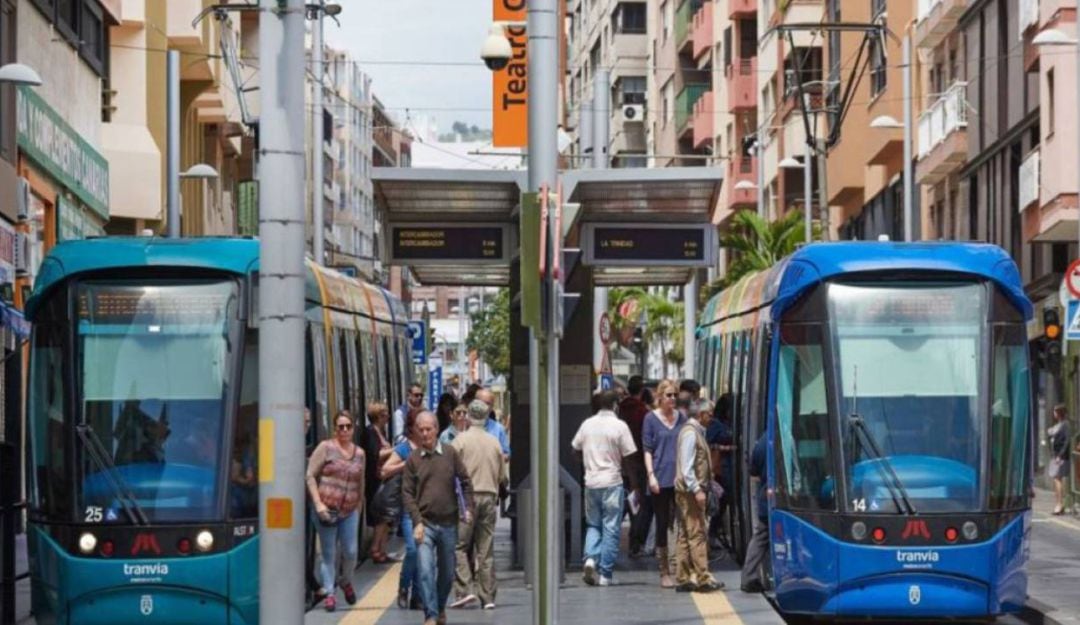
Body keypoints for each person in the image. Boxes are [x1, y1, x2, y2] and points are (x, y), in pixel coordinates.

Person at [403, 411, 475, 625]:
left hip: (448, 523)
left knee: (446, 573)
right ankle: (431, 615)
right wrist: (416, 520)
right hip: (425, 524)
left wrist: (468, 507)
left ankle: (440, 606)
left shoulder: (450, 453)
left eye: (429, 429)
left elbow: (465, 482)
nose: (425, 434)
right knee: (425, 570)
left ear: (436, 429)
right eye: (421, 430)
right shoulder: (412, 460)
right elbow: (407, 493)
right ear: (416, 431)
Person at [573, 390, 637, 587]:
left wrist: (587, 463)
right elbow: (629, 456)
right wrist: (634, 483)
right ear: (616, 405)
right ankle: (606, 574)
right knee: (611, 528)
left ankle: (591, 558)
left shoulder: (587, 424)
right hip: (612, 482)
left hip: (591, 483)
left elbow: (575, 449)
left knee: (593, 524)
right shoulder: (620, 426)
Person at [306, 411, 366, 611]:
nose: (345, 430)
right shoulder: (325, 448)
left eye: (348, 426)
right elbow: (310, 476)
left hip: (349, 511)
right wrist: (318, 504)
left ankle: (345, 581)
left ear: (353, 428)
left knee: (350, 551)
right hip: (326, 511)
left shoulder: (359, 453)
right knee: (328, 553)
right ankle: (330, 593)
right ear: (335, 429)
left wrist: (359, 505)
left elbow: (361, 481)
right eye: (341, 426)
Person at [449, 400, 506, 609]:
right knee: (486, 548)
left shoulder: (459, 441)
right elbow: (502, 476)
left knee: (460, 545)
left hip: (467, 500)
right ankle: (488, 596)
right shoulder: (494, 442)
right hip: (490, 497)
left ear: (469, 417)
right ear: (487, 416)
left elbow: (450, 472)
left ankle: (464, 589)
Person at [642, 379, 687, 588]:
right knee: (661, 523)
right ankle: (664, 571)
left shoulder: (682, 418)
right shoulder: (650, 419)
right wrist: (651, 475)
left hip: (679, 478)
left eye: (675, 395)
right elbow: (648, 449)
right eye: (668, 395)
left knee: (681, 523)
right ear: (659, 397)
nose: (672, 399)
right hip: (660, 477)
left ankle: (680, 566)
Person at [674, 400, 722, 593]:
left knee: (686, 535)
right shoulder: (690, 434)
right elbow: (687, 468)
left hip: (687, 492)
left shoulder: (693, 432)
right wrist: (697, 490)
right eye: (709, 414)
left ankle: (683, 577)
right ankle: (703, 577)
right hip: (689, 492)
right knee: (697, 534)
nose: (711, 418)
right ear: (700, 414)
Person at [382, 407, 424, 610]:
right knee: (413, 549)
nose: (425, 431)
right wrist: (405, 464)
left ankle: (417, 595)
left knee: (424, 553)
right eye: (420, 426)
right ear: (411, 427)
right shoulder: (404, 448)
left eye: (428, 427)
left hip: (429, 509)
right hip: (409, 509)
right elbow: (385, 471)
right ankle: (403, 586)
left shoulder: (434, 447)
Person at [619, 375, 652, 558]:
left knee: (626, 500)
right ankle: (635, 540)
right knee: (639, 504)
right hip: (639, 462)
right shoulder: (643, 412)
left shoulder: (620, 409)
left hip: (622, 462)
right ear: (642, 390)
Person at [364, 402, 395, 563]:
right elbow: (374, 454)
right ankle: (376, 549)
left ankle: (381, 550)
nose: (388, 416)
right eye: (385, 414)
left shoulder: (380, 431)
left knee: (385, 517)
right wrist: (395, 450)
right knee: (381, 517)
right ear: (378, 416)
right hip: (375, 481)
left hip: (384, 479)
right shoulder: (370, 433)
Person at [740, 433, 770, 593]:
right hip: (775, 500)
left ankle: (748, 576)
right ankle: (748, 577)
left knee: (761, 538)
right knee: (761, 537)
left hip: (766, 498)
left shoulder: (761, 442)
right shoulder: (779, 440)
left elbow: (753, 471)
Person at [475, 388, 511, 458]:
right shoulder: (465, 425)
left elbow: (506, 453)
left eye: (488, 403)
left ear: (492, 407)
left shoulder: (498, 429)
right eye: (482, 403)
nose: (484, 406)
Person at [1049, 404, 1071, 515]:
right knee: (1056, 479)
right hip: (1055, 455)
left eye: (1055, 411)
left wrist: (1060, 455)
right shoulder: (1058, 424)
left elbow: (1067, 441)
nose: (1053, 413)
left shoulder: (1065, 424)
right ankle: (1058, 504)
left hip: (1060, 456)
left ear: (1059, 413)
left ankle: (1060, 504)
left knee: (1058, 479)